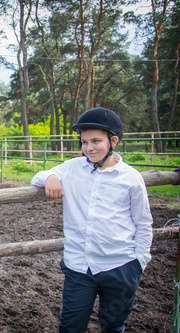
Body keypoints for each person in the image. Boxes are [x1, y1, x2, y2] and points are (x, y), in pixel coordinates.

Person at [31, 107, 153, 333]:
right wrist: (51, 176)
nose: (88, 148)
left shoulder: (132, 178)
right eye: (84, 142)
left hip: (121, 267)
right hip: (79, 269)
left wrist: (139, 263)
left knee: (113, 327)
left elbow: (143, 223)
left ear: (113, 141)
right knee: (70, 327)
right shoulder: (72, 168)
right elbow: (37, 176)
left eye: (96, 141)